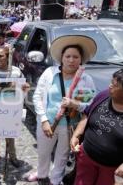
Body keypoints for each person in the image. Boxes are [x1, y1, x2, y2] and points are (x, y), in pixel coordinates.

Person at [29, 35, 97, 185]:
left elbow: (89, 105)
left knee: (62, 155)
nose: (71, 60)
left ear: (81, 60)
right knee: (43, 152)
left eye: (75, 57)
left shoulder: (85, 79)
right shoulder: (50, 73)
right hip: (48, 123)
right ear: (62, 57)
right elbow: (38, 96)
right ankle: (41, 173)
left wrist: (75, 103)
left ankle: (56, 179)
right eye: (68, 56)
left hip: (69, 125)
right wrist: (44, 120)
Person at [70, 68, 123, 185]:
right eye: (111, 82)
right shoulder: (104, 95)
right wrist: (77, 134)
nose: (110, 86)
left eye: (115, 85)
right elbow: (87, 113)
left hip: (113, 171)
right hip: (86, 158)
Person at [0, 46, 24, 168]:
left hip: (10, 109)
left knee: (10, 136)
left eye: (1, 56)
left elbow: (24, 89)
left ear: (8, 57)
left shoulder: (16, 72)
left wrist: (18, 86)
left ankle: (12, 157)